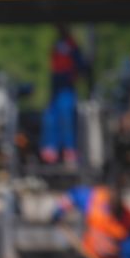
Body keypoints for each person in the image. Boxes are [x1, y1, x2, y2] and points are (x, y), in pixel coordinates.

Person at [41, 24, 89, 166]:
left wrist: (77, 75)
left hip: (67, 83)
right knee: (51, 115)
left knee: (67, 116)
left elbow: (80, 65)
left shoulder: (72, 45)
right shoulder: (57, 44)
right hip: (57, 82)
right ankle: (51, 148)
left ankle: (70, 149)